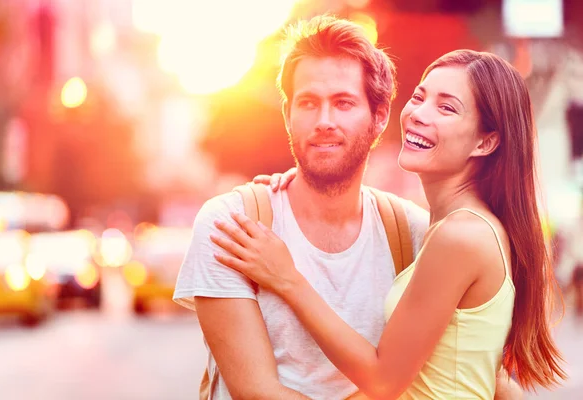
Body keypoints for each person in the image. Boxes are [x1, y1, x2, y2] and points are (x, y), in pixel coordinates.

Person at [174, 16, 524, 399]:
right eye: (308, 102)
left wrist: (288, 279)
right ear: (287, 115)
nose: (324, 122)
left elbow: (474, 372)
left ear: (379, 118)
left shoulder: (415, 233)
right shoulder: (234, 224)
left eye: (343, 103)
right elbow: (255, 392)